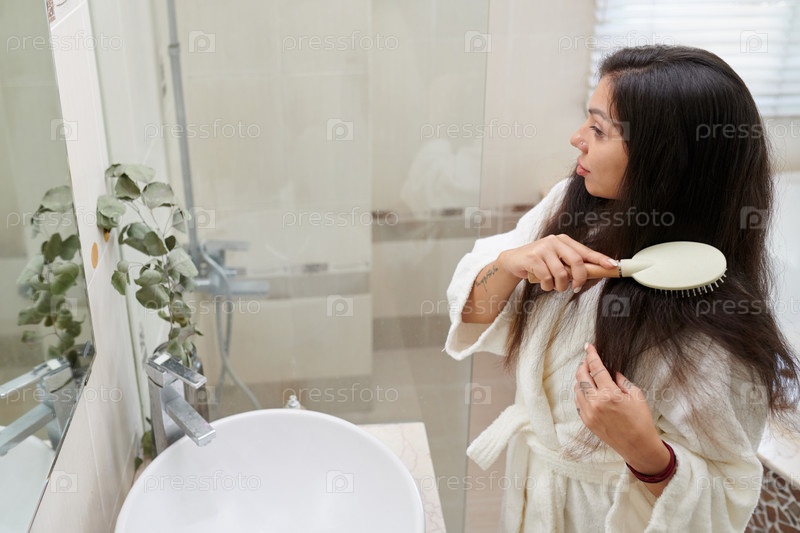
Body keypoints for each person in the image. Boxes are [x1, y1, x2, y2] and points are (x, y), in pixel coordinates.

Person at [445, 45, 799, 532]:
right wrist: (508, 265)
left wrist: (646, 453)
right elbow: (473, 312)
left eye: (598, 130)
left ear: (665, 160)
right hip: (535, 493)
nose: (576, 139)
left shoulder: (714, 329)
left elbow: (729, 495)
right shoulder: (570, 206)